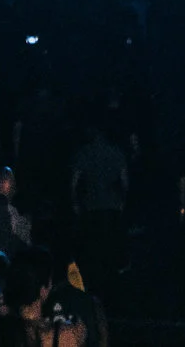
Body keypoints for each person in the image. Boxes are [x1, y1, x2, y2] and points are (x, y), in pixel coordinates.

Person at [67, 124, 130, 290]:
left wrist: (75, 202)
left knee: (93, 252)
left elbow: (74, 182)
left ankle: (96, 288)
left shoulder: (85, 152)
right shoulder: (116, 152)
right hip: (112, 207)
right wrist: (123, 202)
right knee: (110, 250)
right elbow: (125, 183)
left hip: (91, 207)